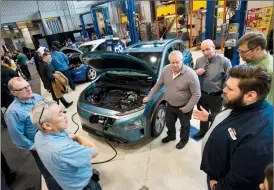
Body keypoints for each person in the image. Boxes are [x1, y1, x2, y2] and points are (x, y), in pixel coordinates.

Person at [193, 65, 273, 190]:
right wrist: (210, 117)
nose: (224, 90)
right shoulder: (242, 104)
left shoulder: (259, 137)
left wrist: (217, 187)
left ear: (250, 95)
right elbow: (232, 120)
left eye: (230, 89)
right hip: (216, 173)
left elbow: (243, 178)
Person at [4, 77, 62, 189]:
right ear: (13, 93)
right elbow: (17, 137)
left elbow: (49, 109)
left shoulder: (36, 97)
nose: (28, 89)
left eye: (28, 86)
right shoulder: (12, 113)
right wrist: (34, 147)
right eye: (22, 88)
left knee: (61, 165)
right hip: (40, 146)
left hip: (54, 136)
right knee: (49, 174)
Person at [30, 101, 101, 190]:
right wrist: (78, 137)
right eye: (60, 114)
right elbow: (94, 151)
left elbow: (66, 134)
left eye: (63, 112)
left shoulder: (39, 135)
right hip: (85, 186)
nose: (65, 116)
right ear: (47, 125)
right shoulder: (63, 150)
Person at [143, 50, 201, 149]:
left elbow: (197, 94)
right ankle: (171, 136)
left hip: (184, 106)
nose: (174, 65)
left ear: (182, 60)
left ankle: (183, 140)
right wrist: (149, 96)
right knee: (169, 122)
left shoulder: (190, 75)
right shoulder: (166, 70)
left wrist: (187, 108)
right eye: (172, 62)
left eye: (177, 62)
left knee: (185, 126)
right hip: (170, 104)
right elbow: (159, 84)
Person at [193, 39, 232, 139]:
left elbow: (228, 81)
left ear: (214, 47)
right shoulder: (199, 61)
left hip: (217, 96)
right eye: (203, 50)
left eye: (207, 49)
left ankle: (212, 133)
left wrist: (223, 97)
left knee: (215, 117)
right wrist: (196, 72)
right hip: (202, 95)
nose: (205, 53)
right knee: (203, 115)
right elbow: (193, 77)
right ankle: (202, 131)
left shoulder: (225, 62)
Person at [237, 32, 273, 104]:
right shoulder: (252, 60)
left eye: (243, 51)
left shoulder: (268, 71)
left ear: (258, 49)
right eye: (239, 51)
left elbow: (268, 102)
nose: (240, 55)